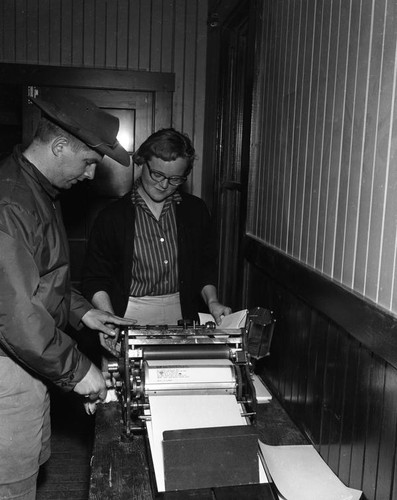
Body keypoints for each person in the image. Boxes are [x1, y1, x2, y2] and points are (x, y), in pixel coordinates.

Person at [0, 93, 134, 499]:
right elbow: (16, 313)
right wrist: (78, 370)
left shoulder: (36, 188)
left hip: (29, 358)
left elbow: (39, 277)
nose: (91, 175)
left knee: (29, 467)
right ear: (59, 147)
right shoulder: (11, 202)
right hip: (10, 361)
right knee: (12, 481)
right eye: (89, 162)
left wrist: (84, 313)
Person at [82, 128, 231, 353]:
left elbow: (204, 266)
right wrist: (109, 320)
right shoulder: (112, 217)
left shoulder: (195, 211)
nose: (164, 185)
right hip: (126, 313)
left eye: (175, 179)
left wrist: (212, 302)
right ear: (142, 162)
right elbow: (95, 278)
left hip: (182, 313)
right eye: (157, 175)